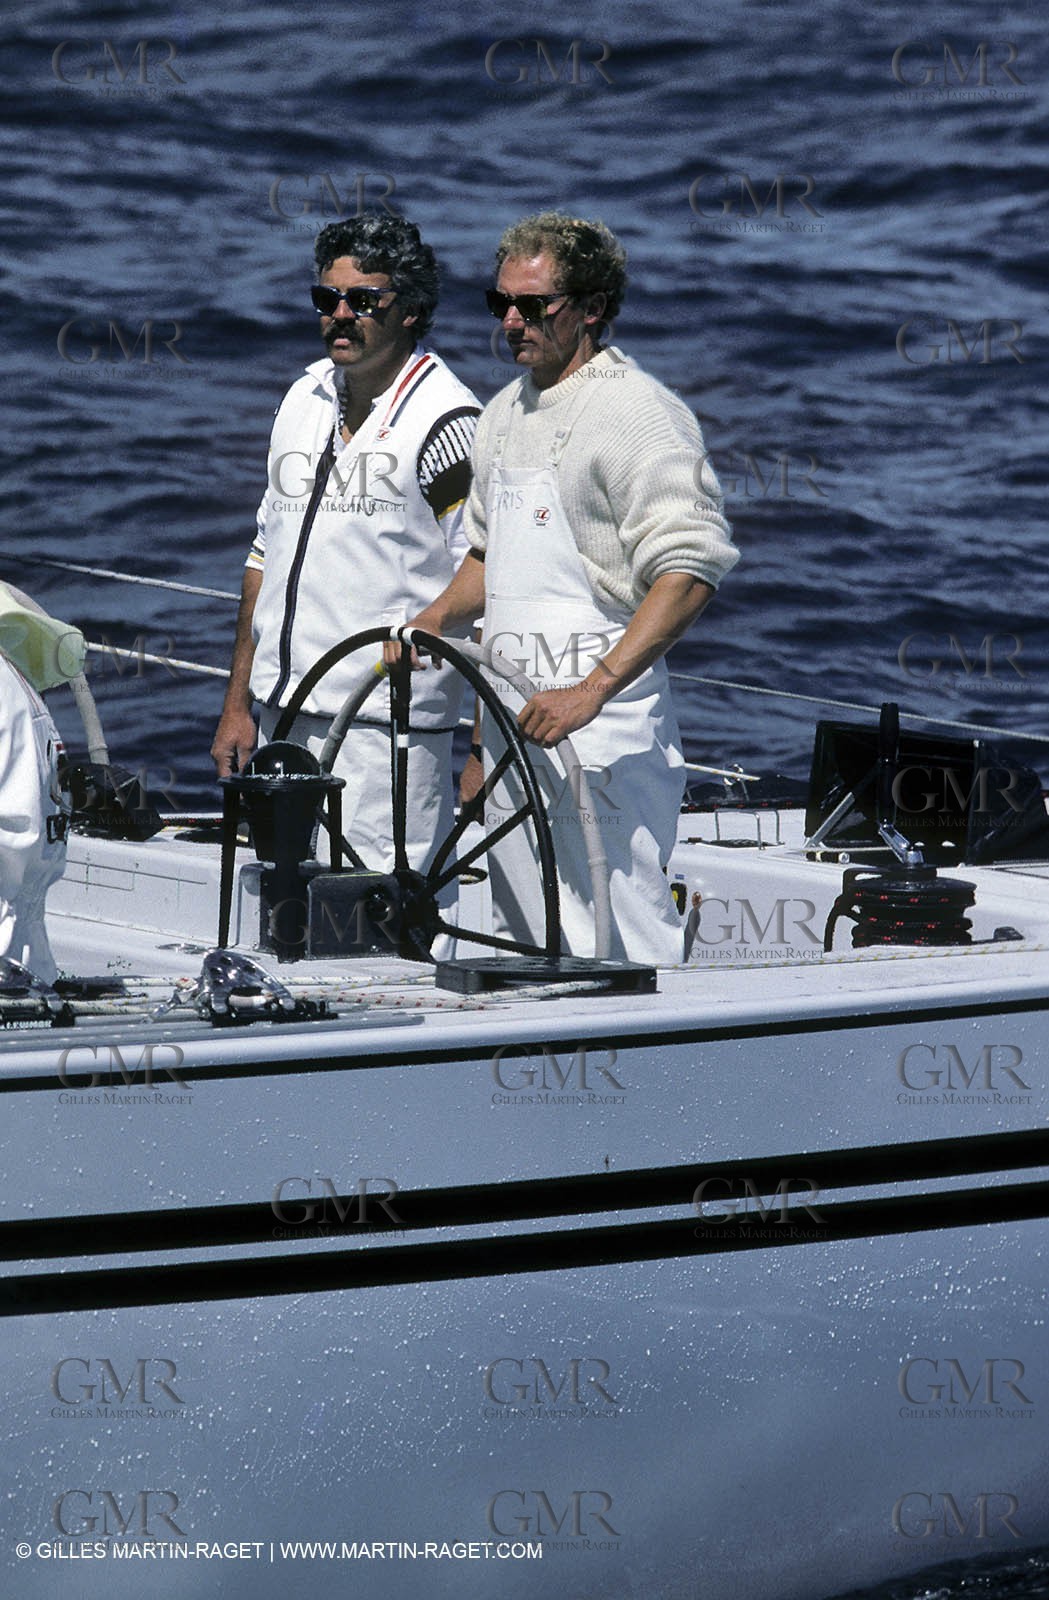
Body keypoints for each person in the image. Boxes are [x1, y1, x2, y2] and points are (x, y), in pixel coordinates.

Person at [398, 211, 738, 965]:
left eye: (533, 306)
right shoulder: (500, 415)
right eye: (500, 305)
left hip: (604, 735)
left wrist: (592, 691)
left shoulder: (636, 414)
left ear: (592, 307)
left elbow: (691, 569)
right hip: (515, 729)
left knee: (620, 937)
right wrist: (432, 622)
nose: (512, 323)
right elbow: (491, 558)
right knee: (523, 939)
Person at [211, 216, 481, 887]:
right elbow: (261, 559)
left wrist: (480, 743)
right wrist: (238, 704)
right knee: (284, 912)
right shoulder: (302, 398)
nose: (341, 315)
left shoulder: (448, 422)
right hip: (280, 717)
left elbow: (492, 568)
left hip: (383, 734)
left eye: (364, 301)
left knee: (378, 918)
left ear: (411, 310)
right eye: (327, 299)